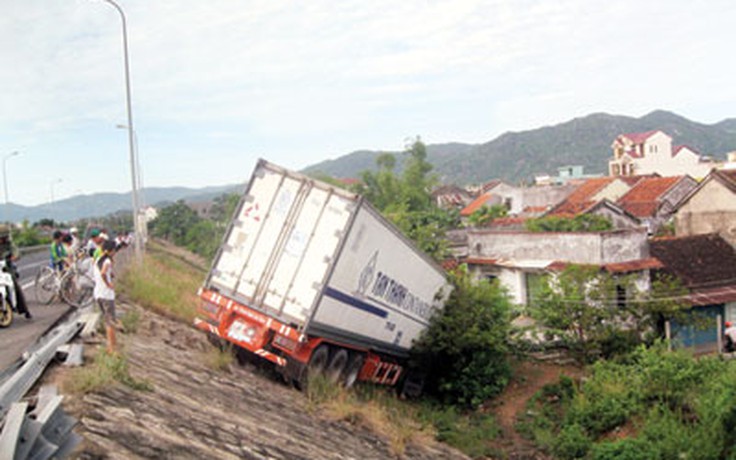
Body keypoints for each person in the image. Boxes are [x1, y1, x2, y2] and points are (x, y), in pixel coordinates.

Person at [0, 225, 32, 319]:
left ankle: (25, 310)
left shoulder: (9, 244)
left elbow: (16, 251)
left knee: (15, 286)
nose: (2, 239)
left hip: (7, 269)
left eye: (3, 237)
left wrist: (14, 257)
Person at [94, 240, 118, 353]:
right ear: (110, 250)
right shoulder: (107, 260)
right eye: (114, 250)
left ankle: (110, 347)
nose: (115, 252)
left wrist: (110, 274)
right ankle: (112, 348)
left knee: (107, 321)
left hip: (98, 294)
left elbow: (103, 272)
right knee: (111, 323)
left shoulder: (98, 259)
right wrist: (108, 284)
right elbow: (103, 273)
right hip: (106, 295)